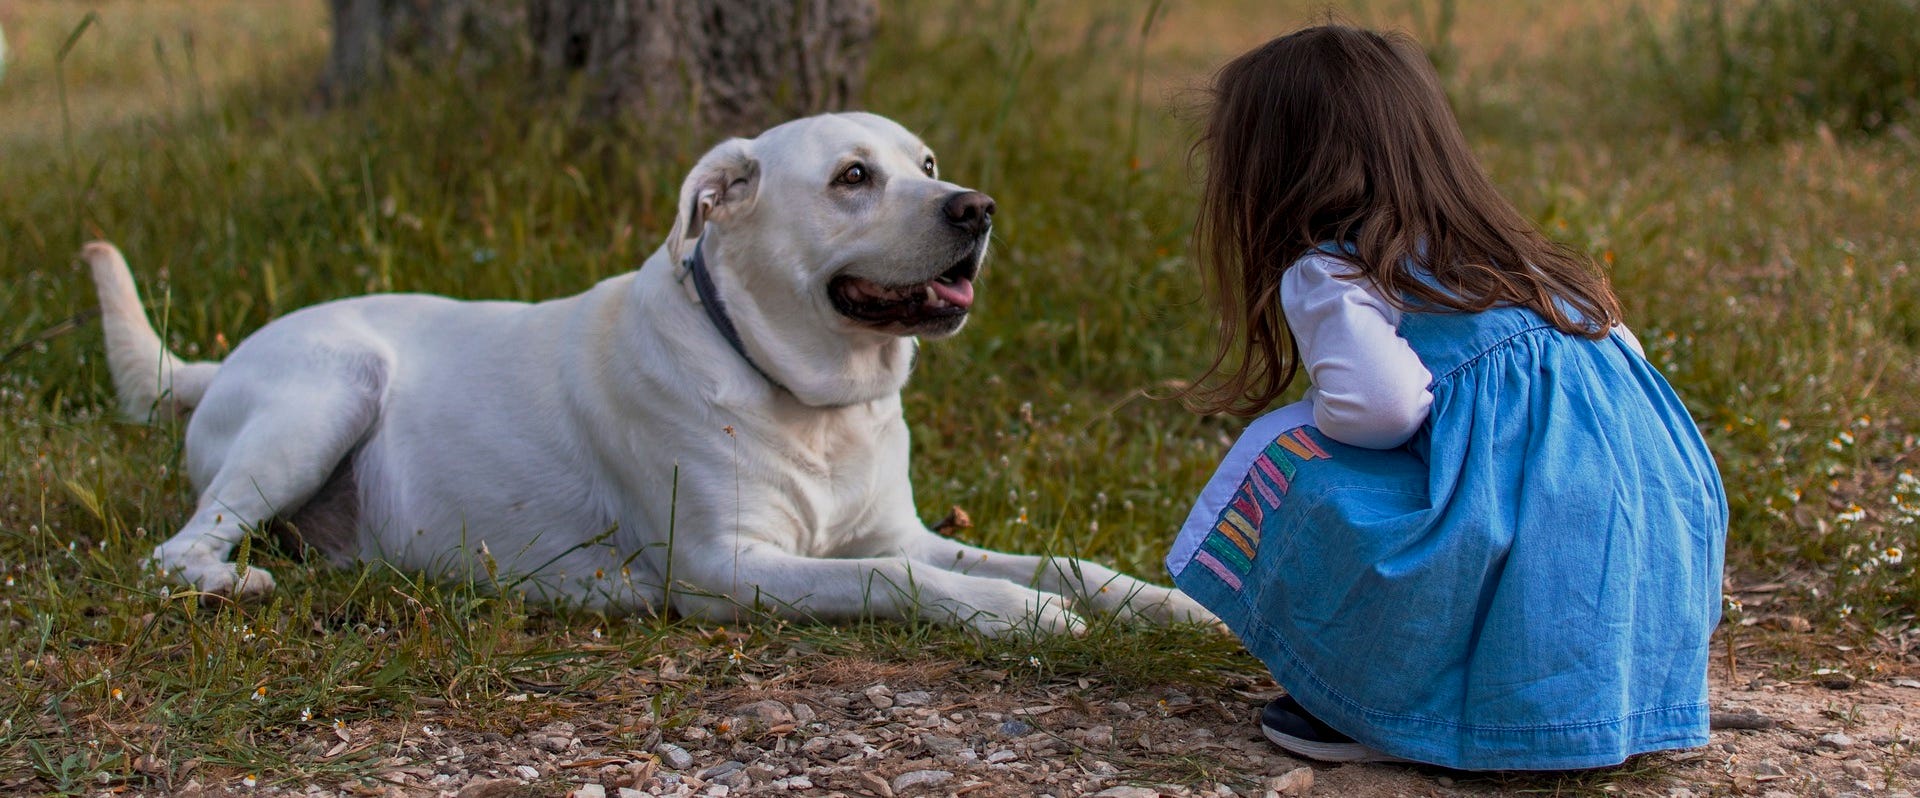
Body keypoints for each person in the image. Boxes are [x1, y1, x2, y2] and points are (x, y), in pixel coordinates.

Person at [1165, 24, 1727, 770]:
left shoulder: (1334, 271)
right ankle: (1596, 699)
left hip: (1527, 550)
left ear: (1276, 172)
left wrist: (1322, 420)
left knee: (1292, 452)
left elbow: (1383, 408)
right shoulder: (1525, 262)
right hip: (1654, 546)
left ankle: (1379, 702)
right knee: (1522, 494)